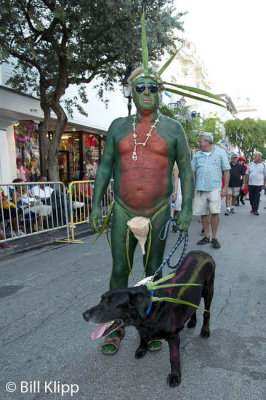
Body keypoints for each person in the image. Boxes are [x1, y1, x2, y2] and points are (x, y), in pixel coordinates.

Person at [90, 70, 194, 354]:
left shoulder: (174, 129)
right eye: (140, 87)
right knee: (120, 270)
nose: (146, 92)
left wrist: (186, 210)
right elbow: (104, 167)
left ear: (159, 91)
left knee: (152, 273)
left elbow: (185, 169)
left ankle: (151, 326)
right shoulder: (118, 126)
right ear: (131, 92)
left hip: (159, 210)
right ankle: (115, 326)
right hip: (123, 210)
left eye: (152, 87)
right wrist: (96, 204)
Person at [192, 132, 230, 249]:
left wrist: (225, 188)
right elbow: (193, 171)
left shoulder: (220, 153)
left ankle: (214, 237)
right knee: (203, 213)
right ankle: (206, 236)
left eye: (200, 141)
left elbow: (226, 171)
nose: (199, 143)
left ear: (207, 142)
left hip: (215, 188)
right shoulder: (197, 155)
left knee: (215, 212)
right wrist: (193, 186)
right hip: (200, 188)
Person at [170, 162, 182, 232]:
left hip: (175, 185)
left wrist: (175, 192)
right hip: (164, 185)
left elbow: (176, 179)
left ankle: (175, 223)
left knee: (177, 205)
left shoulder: (174, 164)